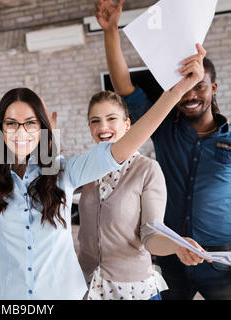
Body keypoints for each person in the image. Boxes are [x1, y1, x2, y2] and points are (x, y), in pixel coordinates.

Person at [0, 35, 206, 298]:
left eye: (30, 123)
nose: (20, 132)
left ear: (42, 130)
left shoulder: (64, 174)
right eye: (11, 123)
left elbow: (123, 147)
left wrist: (177, 91)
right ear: (1, 131)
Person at [96, 0, 231, 300]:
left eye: (199, 86)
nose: (191, 94)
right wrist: (110, 32)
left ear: (214, 88)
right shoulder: (164, 128)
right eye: (184, 86)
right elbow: (124, 86)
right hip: (170, 257)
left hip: (220, 262)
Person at [77, 90, 208, 300]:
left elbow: (150, 234)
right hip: (88, 286)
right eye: (95, 121)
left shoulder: (147, 170)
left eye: (111, 118)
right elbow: (48, 175)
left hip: (131, 291)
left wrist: (176, 245)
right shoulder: (86, 169)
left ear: (127, 124)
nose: (103, 127)